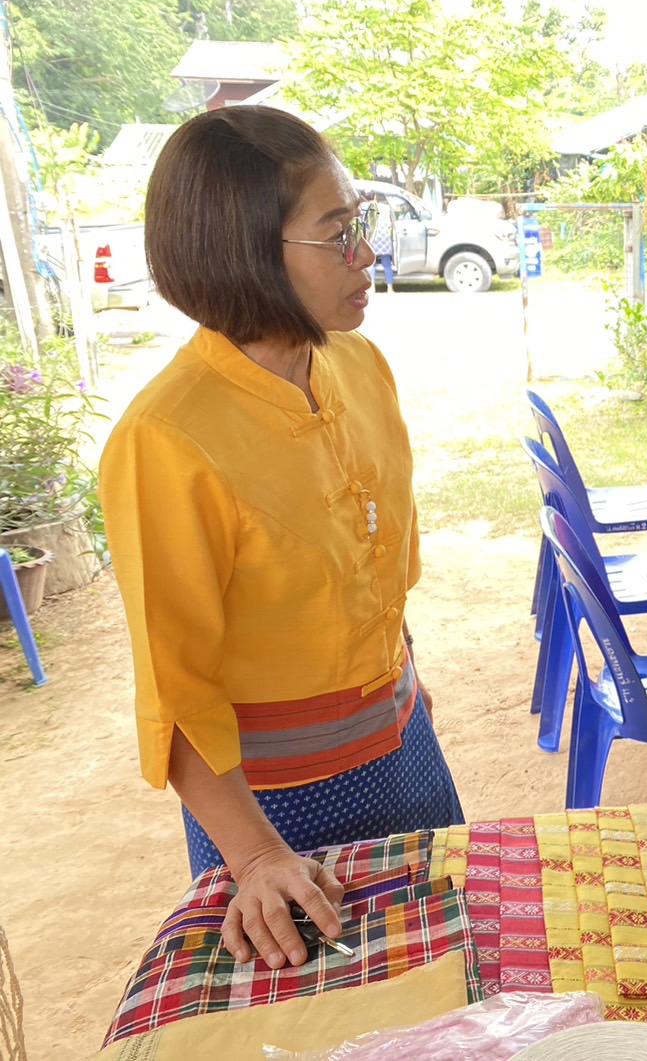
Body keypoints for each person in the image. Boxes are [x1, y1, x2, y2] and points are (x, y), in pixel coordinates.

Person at [100, 106, 463, 971]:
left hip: (404, 743)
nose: (366, 255)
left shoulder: (357, 366)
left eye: (359, 225)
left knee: (448, 976)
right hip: (271, 808)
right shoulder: (168, 439)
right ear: (247, 252)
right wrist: (257, 856)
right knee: (326, 1008)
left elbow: (381, 586)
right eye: (336, 232)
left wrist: (403, 706)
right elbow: (177, 696)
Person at [368, 196, 397, 292]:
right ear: (375, 197)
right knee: (387, 264)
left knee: (371, 264)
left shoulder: (365, 207)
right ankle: (390, 288)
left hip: (373, 238)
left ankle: (372, 287)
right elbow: (391, 223)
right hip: (384, 238)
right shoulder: (386, 207)